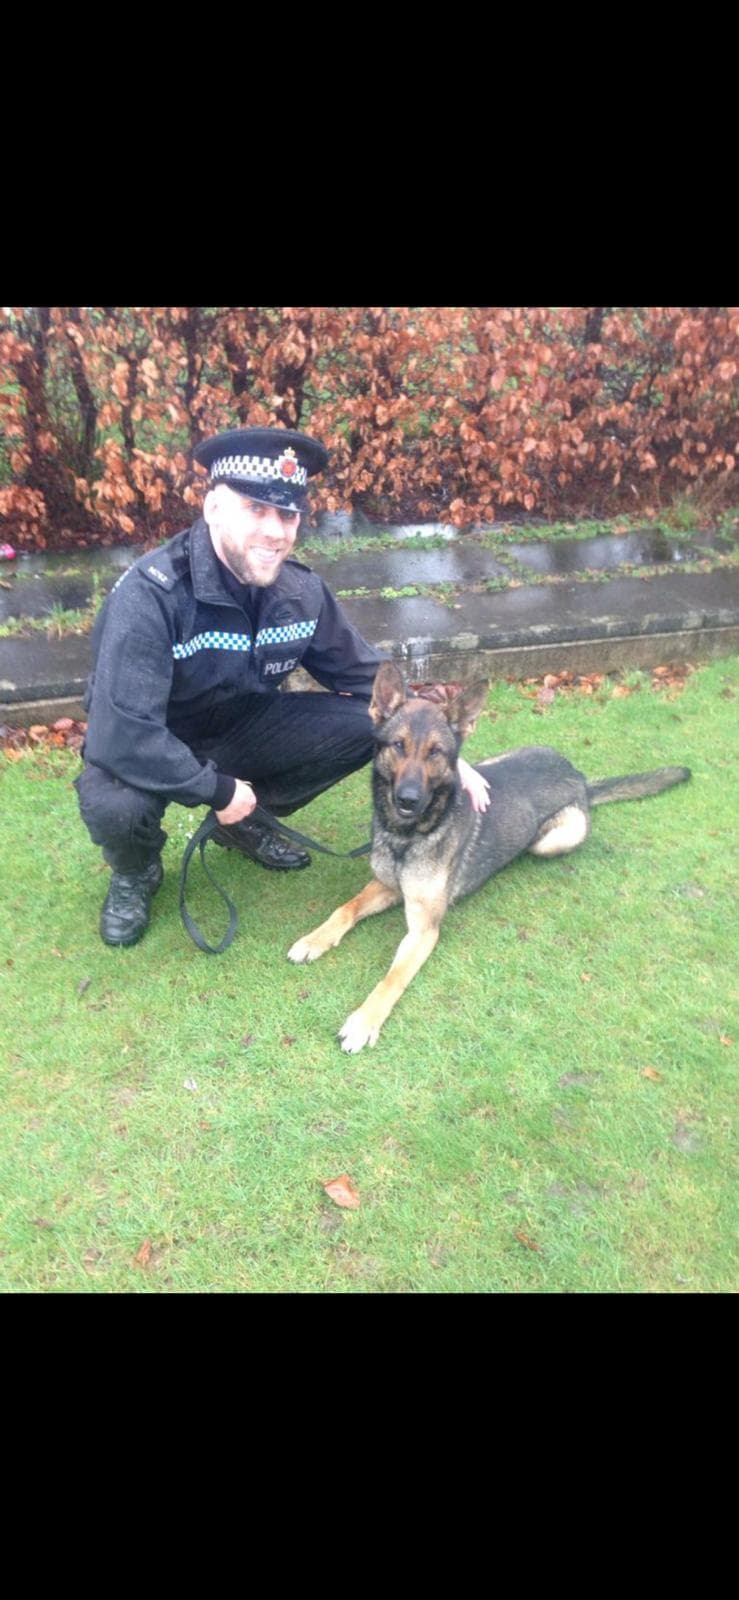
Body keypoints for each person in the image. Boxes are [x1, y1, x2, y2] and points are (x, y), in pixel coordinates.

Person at [75, 427, 489, 947]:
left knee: (375, 733)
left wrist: (448, 755)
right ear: (213, 508)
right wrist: (216, 789)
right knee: (118, 807)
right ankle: (135, 871)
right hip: (151, 741)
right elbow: (123, 731)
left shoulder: (298, 591)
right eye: (255, 509)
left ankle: (243, 821)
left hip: (240, 730)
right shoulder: (152, 597)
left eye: (288, 515)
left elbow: (368, 679)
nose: (275, 531)